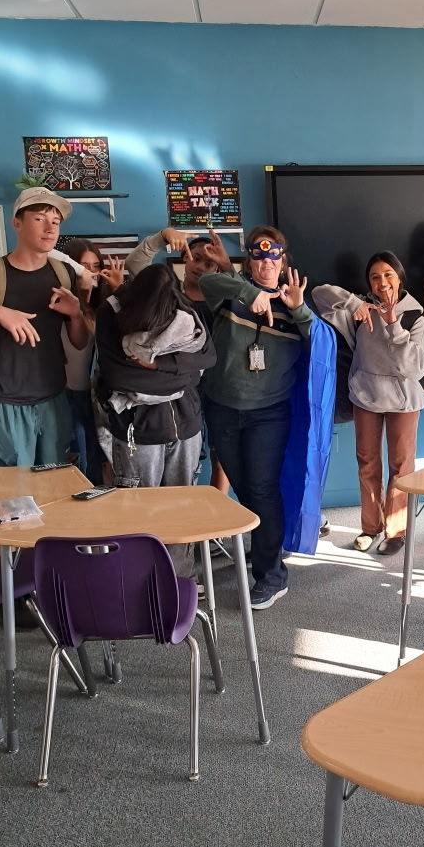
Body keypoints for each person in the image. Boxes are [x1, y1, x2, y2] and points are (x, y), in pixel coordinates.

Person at [198, 226, 314, 609]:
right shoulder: (232, 291)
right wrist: (251, 294)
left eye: (274, 256)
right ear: (249, 259)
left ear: (284, 260)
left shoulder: (296, 300)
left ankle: (271, 575)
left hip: (269, 412)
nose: (267, 263)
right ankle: (267, 547)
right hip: (222, 407)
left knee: (262, 490)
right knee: (246, 492)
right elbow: (209, 283)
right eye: (259, 256)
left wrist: (296, 309)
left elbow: (321, 348)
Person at [95, 263, 216, 575]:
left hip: (186, 424)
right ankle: (138, 579)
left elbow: (208, 357)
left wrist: (155, 364)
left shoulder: (181, 304)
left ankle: (182, 578)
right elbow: (118, 375)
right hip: (138, 429)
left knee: (182, 505)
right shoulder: (112, 312)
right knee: (137, 507)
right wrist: (181, 374)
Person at [313, 251, 424, 555]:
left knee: (401, 467)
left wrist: (392, 325)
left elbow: (414, 368)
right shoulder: (360, 309)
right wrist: (354, 304)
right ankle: (370, 527)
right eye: (375, 277)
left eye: (388, 274)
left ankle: (396, 531)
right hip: (366, 395)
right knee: (367, 463)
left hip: (403, 400)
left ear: (399, 277)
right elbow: (319, 294)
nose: (382, 282)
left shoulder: (415, 314)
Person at [0, 187, 89, 466]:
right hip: (4, 401)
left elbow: (79, 342)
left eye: (55, 222)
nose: (50, 229)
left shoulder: (63, 274)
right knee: (11, 495)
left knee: (53, 485)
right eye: (39, 219)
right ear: (17, 223)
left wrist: (76, 316)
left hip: (53, 398)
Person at [125, 226, 228, 492]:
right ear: (185, 257)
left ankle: (216, 528)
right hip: (177, 391)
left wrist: (226, 265)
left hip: (217, 389)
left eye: (209, 263)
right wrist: (162, 237)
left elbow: (248, 295)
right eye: (196, 258)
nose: (200, 266)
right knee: (178, 464)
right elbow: (136, 263)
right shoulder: (167, 294)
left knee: (221, 458)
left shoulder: (224, 301)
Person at [62, 238, 124, 482]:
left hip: (99, 398)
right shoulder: (60, 302)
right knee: (74, 466)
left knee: (101, 466)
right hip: (66, 396)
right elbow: (52, 257)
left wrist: (119, 289)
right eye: (82, 265)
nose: (90, 272)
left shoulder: (106, 306)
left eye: (95, 266)